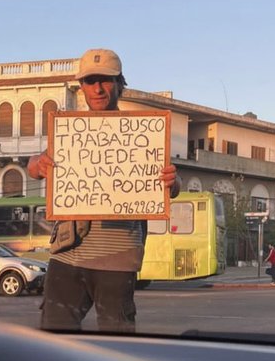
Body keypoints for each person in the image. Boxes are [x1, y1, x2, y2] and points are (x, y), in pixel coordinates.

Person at [27, 47, 180, 332]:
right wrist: (37, 163)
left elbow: (168, 184)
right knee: (53, 336)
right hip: (66, 253)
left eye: (106, 80)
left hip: (117, 257)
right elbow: (34, 166)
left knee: (117, 339)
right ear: (81, 87)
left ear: (120, 84)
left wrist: (173, 181)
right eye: (90, 81)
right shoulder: (70, 130)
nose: (97, 89)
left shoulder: (142, 133)